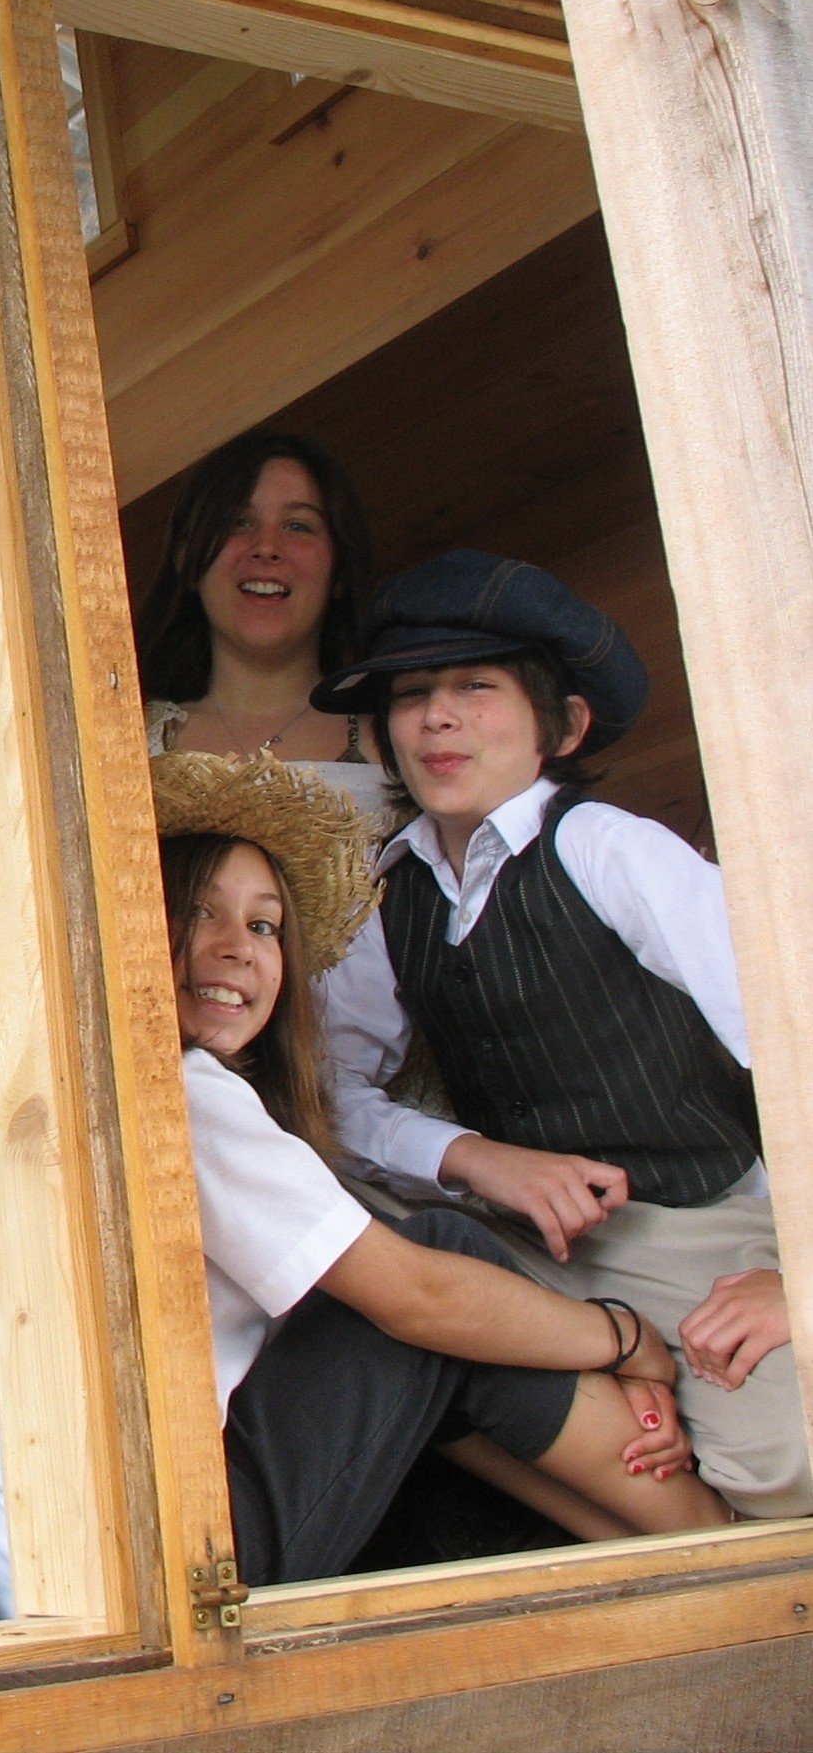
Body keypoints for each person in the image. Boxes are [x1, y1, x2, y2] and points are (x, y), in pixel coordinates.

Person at [0, 750, 728, 1612]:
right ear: (123, 926)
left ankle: (669, 1547)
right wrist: (623, 1337)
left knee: (438, 1338)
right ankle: (717, 1540)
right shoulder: (164, 1091)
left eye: (265, 926)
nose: (237, 948)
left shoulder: (75, 1086)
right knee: (432, 1271)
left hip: (82, 1571)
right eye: (196, 911)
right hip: (146, 1582)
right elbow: (417, 1296)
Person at [314, 549, 808, 1518]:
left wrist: (798, 1281)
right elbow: (329, 1094)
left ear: (564, 725)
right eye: (410, 694)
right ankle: (619, 1373)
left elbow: (794, 1034)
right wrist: (474, 1157)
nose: (438, 716)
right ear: (381, 736)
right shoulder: (391, 891)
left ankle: (651, 1398)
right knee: (335, 1223)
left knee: (785, 1465)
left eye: (476, 686)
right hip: (527, 1250)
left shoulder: (606, 846)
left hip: (698, 1232)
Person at [135, 430, 385, 812]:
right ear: (187, 561)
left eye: (298, 525)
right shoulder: (128, 745)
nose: (266, 547)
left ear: (339, 570)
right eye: (239, 522)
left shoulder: (402, 743)